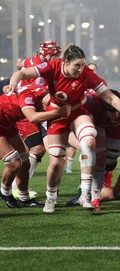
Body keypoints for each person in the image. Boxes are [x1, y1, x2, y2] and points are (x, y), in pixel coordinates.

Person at [6, 43, 120, 213]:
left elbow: (111, 98)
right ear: (65, 62)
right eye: (77, 65)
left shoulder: (86, 73)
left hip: (78, 111)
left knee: (89, 139)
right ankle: (50, 199)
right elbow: (21, 72)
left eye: (82, 64)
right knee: (57, 159)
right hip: (56, 114)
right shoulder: (53, 66)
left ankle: (85, 196)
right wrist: (13, 84)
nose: (81, 69)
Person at [0, 85, 71, 208]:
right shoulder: (28, 97)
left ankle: (24, 198)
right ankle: (5, 192)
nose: (47, 108)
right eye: (49, 104)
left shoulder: (43, 90)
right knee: (14, 163)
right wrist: (58, 112)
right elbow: (32, 117)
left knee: (25, 162)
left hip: (8, 123)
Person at [11, 41, 62, 198]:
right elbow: (42, 95)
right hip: (27, 110)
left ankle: (20, 187)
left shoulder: (31, 61)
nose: (58, 57)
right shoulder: (40, 68)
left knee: (51, 149)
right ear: (46, 54)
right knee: (38, 149)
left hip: (33, 108)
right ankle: (15, 188)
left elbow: (20, 63)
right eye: (55, 54)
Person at [64, 63, 97, 174]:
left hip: (88, 120)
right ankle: (68, 166)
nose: (91, 72)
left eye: (93, 70)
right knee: (78, 147)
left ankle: (85, 178)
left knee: (87, 147)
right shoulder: (78, 83)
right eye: (90, 69)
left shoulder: (97, 86)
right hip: (74, 119)